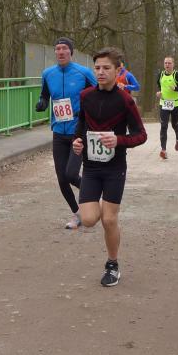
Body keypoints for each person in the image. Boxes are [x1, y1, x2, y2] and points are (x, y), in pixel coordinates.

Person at [72, 47, 147, 287]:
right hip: (91, 167)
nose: (101, 72)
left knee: (109, 219)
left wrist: (119, 140)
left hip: (115, 168)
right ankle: (94, 210)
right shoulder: (86, 96)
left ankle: (112, 265)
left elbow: (141, 135)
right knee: (89, 219)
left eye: (106, 68)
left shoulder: (125, 100)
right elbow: (81, 124)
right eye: (97, 68)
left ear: (118, 70)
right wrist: (77, 141)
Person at [36, 37, 98, 229]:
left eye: (64, 48)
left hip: (78, 131)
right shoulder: (48, 74)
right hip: (58, 131)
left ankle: (94, 196)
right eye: (58, 49)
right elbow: (45, 95)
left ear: (71, 52)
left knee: (71, 174)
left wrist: (90, 113)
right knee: (62, 178)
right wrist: (42, 103)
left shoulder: (83, 72)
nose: (61, 52)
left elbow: (98, 94)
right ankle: (77, 213)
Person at [156, 56, 178, 159]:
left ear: (173, 64)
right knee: (163, 125)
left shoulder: (177, 75)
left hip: (175, 104)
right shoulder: (160, 75)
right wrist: (159, 92)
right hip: (164, 103)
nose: (167, 65)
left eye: (169, 63)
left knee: (174, 124)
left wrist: (176, 89)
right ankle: (163, 150)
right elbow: (159, 86)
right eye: (165, 63)